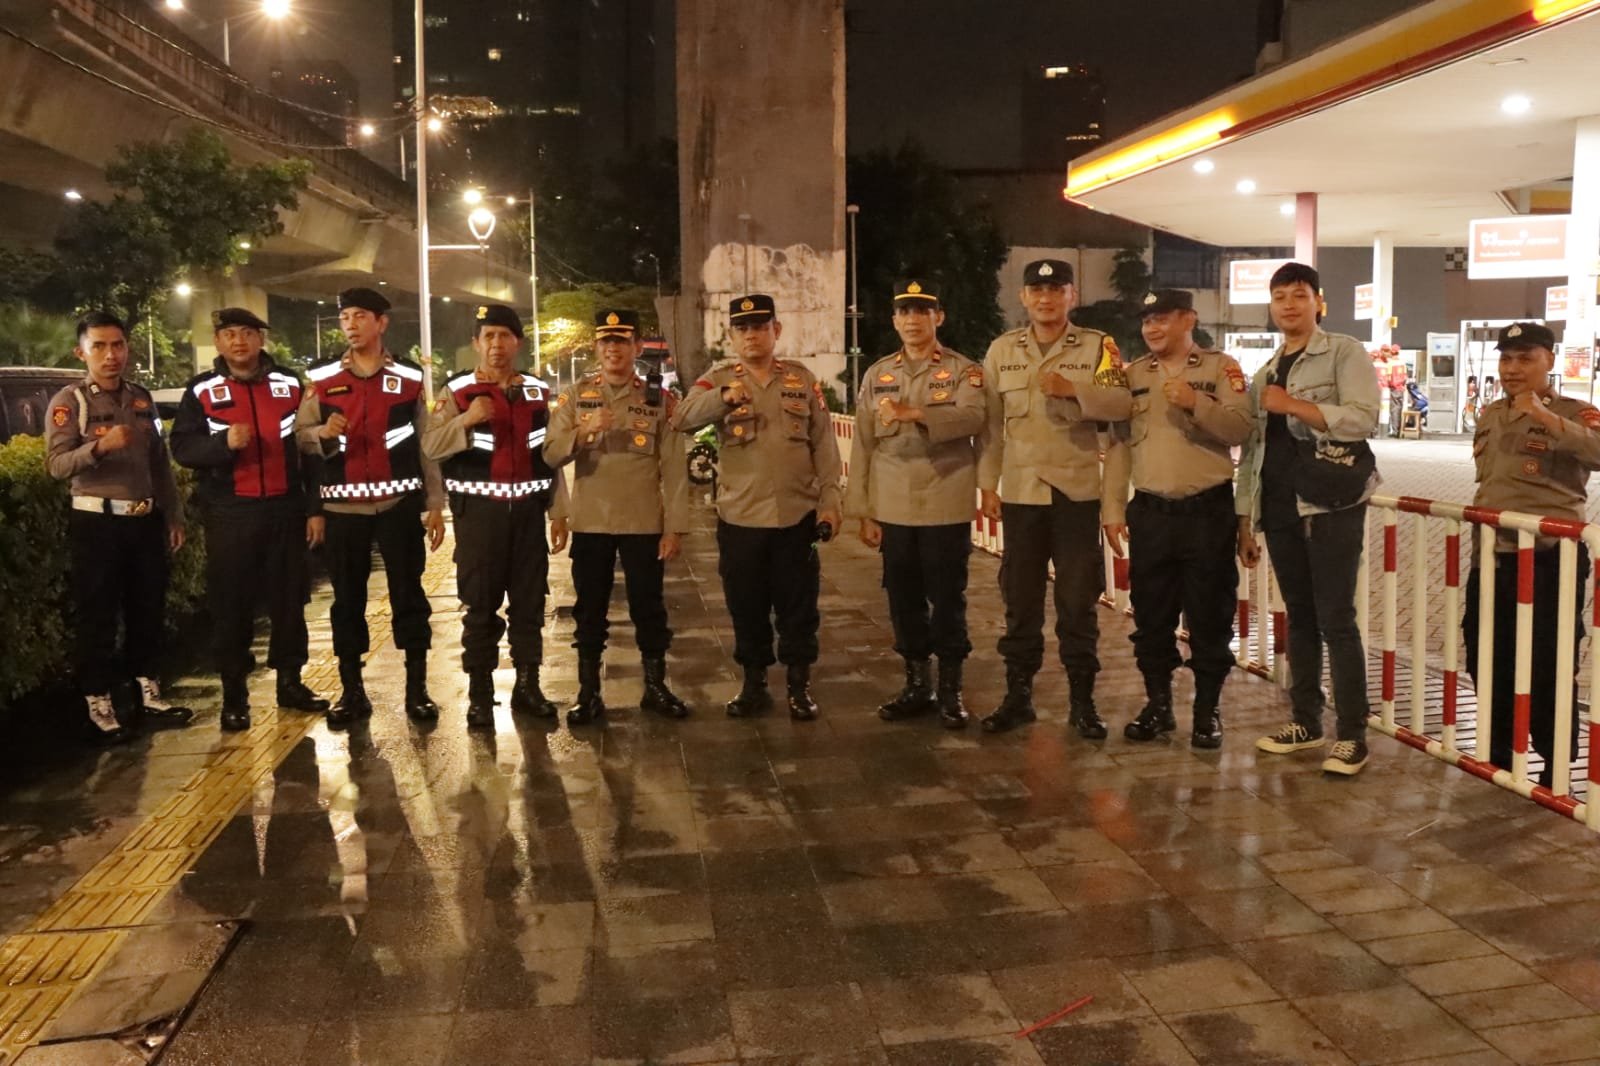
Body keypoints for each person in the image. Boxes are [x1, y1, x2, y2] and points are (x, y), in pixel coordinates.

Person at [1236, 262, 1380, 776]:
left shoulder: (1343, 351)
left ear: (1318, 301)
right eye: (1279, 297)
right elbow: (1254, 449)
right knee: (1299, 616)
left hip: (1328, 505)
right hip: (1278, 508)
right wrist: (1244, 517)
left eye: (1299, 295)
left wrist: (1295, 406)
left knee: (1337, 618)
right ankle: (1305, 721)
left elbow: (1364, 417)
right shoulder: (1265, 370)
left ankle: (1353, 736)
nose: (1289, 306)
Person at [976, 259, 1131, 736]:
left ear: (1072, 295)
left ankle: (1082, 703)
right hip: (1021, 495)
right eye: (1036, 290)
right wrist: (987, 484)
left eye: (1056, 289)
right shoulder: (1003, 351)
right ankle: (1018, 697)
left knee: (1077, 602)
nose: (1046, 298)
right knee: (1019, 602)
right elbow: (991, 427)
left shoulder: (1096, 347)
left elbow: (1123, 404)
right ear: (1023, 297)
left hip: (1075, 496)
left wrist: (1075, 390)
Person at [672, 293, 843, 720]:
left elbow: (823, 444)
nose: (752, 335)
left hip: (796, 516)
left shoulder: (801, 380)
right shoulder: (716, 379)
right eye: (743, 328)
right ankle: (754, 683)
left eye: (760, 327)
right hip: (741, 517)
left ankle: (799, 686)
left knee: (799, 606)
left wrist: (831, 502)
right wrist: (722, 399)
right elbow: (682, 418)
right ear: (731, 335)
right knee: (746, 604)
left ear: (776, 331)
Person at [1105, 289, 1251, 748]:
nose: (1152, 327)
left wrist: (1195, 403)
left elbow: (1242, 430)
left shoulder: (1220, 368)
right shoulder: (1131, 376)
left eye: (1162, 318)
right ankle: (1158, 705)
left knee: (1210, 617)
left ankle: (1207, 711)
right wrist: (1111, 510)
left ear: (1188, 319)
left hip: (1207, 512)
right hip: (1151, 514)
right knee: (1151, 617)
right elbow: (1120, 447)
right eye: (1147, 319)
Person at [170, 308, 329, 731]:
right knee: (232, 605)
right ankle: (235, 696)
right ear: (219, 342)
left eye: (247, 333)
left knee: (290, 601)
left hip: (285, 509)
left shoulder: (291, 385)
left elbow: (310, 455)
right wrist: (223, 443)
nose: (239, 341)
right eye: (229, 334)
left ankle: (291, 683)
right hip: (230, 513)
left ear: (262, 340)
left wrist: (314, 509)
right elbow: (182, 448)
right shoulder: (201, 390)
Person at [298, 287, 445, 730]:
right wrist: (323, 431)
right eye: (345, 316)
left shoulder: (411, 379)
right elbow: (299, 437)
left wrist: (435, 503)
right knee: (348, 601)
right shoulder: (321, 380)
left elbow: (428, 446)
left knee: (410, 596)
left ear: (381, 322)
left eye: (360, 315)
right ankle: (351, 692)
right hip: (343, 510)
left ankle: (416, 690)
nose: (350, 323)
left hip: (398, 505)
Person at [1463, 322, 1600, 789]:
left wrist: (1545, 418)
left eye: (1525, 358)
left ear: (1550, 361)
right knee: (1486, 653)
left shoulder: (1575, 411)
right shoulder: (1491, 412)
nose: (1513, 369)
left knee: (1548, 660)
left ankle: (1556, 760)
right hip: (1493, 555)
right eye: (1506, 359)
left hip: (1548, 560)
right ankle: (1498, 748)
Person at [45, 311, 192, 742]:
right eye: (100, 346)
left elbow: (159, 463)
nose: (111, 355)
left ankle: (147, 694)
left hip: (144, 521)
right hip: (97, 522)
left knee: (148, 607)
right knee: (99, 615)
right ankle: (99, 703)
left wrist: (173, 514)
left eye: (118, 345)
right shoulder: (70, 402)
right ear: (82, 352)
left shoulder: (141, 399)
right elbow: (56, 465)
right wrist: (98, 447)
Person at [845, 279, 986, 728]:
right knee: (902, 600)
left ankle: (950, 690)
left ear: (937, 318)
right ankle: (915, 685)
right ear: (894, 320)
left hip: (945, 501)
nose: (911, 320)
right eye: (903, 312)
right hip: (894, 506)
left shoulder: (964, 370)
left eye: (921, 312)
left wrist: (918, 413)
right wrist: (863, 511)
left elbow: (974, 416)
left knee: (947, 599)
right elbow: (863, 444)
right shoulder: (877, 374)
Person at [544, 309, 692, 727]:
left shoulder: (656, 399)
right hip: (592, 524)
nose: (613, 348)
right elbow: (551, 454)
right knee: (590, 611)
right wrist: (585, 430)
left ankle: (656, 686)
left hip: (644, 524)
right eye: (606, 341)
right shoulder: (576, 397)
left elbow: (674, 467)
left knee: (649, 609)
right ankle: (588, 693)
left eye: (622, 341)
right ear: (597, 347)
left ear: (636, 347)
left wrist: (674, 526)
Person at [422, 304, 566, 730]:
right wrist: (467, 419)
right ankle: (480, 696)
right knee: (480, 608)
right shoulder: (457, 391)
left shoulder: (538, 392)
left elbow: (550, 457)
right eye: (488, 336)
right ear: (476, 343)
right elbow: (431, 447)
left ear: (517, 342)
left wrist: (560, 512)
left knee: (529, 605)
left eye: (505, 336)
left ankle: (528, 686)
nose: (497, 345)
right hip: (479, 519)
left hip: (527, 517)